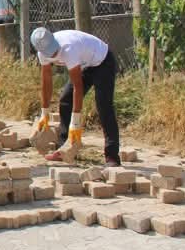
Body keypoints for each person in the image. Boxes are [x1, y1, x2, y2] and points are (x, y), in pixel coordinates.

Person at [30, 27, 121, 167]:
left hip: (102, 61)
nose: (54, 53)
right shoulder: (42, 54)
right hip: (85, 65)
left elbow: (78, 86)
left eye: (54, 50)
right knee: (65, 100)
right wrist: (44, 112)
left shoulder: (68, 48)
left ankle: (112, 156)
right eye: (51, 53)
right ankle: (64, 150)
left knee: (104, 106)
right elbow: (46, 82)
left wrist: (76, 122)